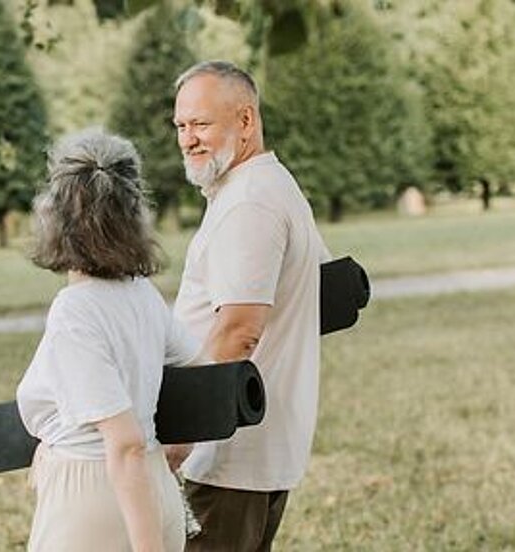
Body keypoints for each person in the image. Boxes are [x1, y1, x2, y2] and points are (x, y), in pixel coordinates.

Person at [166, 61, 329, 550]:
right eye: (181, 126)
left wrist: (181, 435)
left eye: (201, 124)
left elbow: (239, 329)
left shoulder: (249, 204)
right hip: (252, 448)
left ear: (245, 122)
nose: (188, 139)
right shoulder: (267, 185)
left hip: (226, 454)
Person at [17, 129, 204, 552]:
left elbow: (124, 442)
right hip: (153, 489)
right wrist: (176, 449)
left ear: (54, 214)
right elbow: (200, 370)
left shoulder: (74, 311)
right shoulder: (142, 295)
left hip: (95, 502)